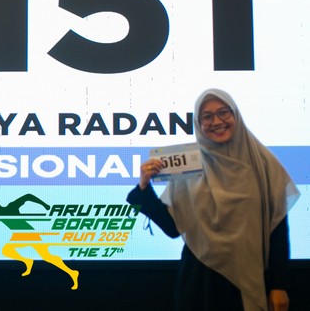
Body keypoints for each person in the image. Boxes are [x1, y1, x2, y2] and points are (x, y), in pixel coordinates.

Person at [127, 88, 300, 311]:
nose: (216, 121)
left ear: (235, 114)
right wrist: (143, 188)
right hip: (201, 285)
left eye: (223, 112)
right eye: (207, 116)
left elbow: (277, 228)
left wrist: (279, 285)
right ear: (198, 124)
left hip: (251, 280)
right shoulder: (189, 166)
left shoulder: (263, 164)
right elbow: (172, 228)